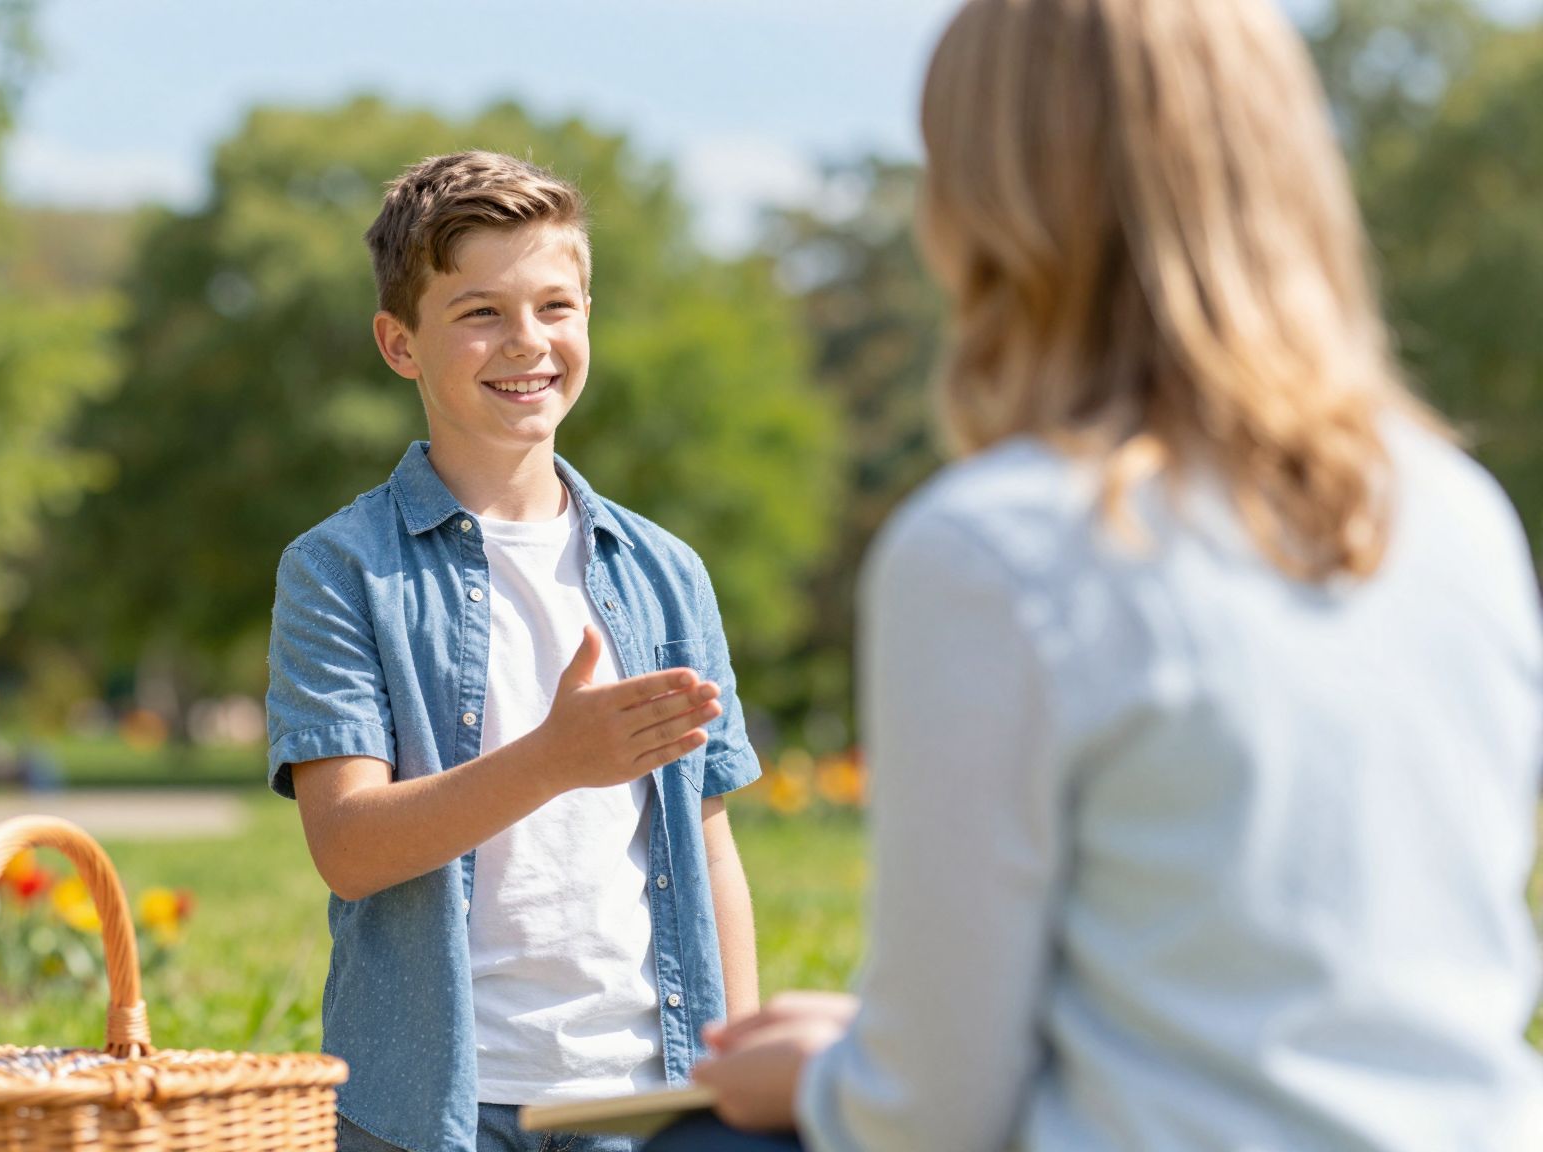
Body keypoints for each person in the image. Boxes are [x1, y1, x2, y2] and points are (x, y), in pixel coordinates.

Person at [656, 1, 1543, 1149]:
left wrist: (827, 1077)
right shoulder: (1449, 508)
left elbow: (928, 1118)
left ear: (987, 206)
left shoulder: (996, 548)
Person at [265, 151, 763, 1152]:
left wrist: (739, 1077)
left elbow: (708, 845)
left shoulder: (665, 572)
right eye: (480, 312)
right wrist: (552, 759)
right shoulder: (339, 571)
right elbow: (349, 849)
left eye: (556, 306)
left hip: (641, 1098)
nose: (526, 343)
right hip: (429, 1109)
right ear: (398, 344)